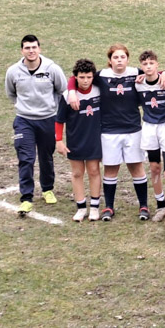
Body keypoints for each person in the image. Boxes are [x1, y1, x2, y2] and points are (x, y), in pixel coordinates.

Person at [68, 43, 149, 222]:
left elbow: (157, 74)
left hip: (133, 129)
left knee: (136, 167)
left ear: (128, 59)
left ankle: (144, 205)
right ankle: (108, 207)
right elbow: (76, 77)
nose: (119, 60)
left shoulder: (137, 74)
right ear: (109, 61)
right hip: (109, 131)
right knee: (111, 169)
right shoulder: (102, 76)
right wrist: (71, 91)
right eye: (115, 57)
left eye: (122, 57)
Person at [5, 34, 67, 215]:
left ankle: (47, 189)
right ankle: (26, 198)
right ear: (22, 50)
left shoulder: (52, 69)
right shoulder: (13, 71)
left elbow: (63, 90)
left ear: (39, 48)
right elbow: (11, 94)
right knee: (26, 158)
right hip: (24, 120)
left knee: (46, 157)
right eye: (27, 48)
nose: (31, 51)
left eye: (34, 47)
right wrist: (24, 108)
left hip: (48, 120)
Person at [136, 50, 165, 234]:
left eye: (151, 63)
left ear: (157, 64)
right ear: (141, 66)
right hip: (149, 128)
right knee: (154, 168)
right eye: (145, 64)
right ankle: (160, 206)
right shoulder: (138, 84)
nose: (148, 67)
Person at [55, 59, 101, 222]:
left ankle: (95, 207)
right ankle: (81, 207)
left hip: (94, 139)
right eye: (82, 77)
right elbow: (59, 120)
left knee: (94, 171)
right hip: (75, 140)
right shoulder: (68, 95)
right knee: (77, 173)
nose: (86, 80)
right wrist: (59, 140)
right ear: (76, 77)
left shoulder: (98, 90)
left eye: (89, 77)